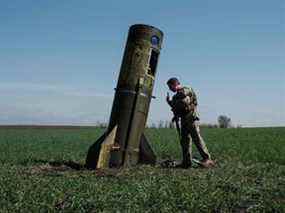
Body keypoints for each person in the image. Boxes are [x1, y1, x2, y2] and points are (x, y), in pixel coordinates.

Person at [166, 77, 214, 168]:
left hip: (191, 117)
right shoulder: (176, 96)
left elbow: (184, 102)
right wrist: (171, 103)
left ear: (175, 84)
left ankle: (207, 159)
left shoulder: (186, 89)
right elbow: (178, 106)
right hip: (184, 119)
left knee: (197, 138)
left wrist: (173, 102)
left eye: (170, 86)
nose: (170, 89)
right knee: (185, 141)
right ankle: (186, 162)